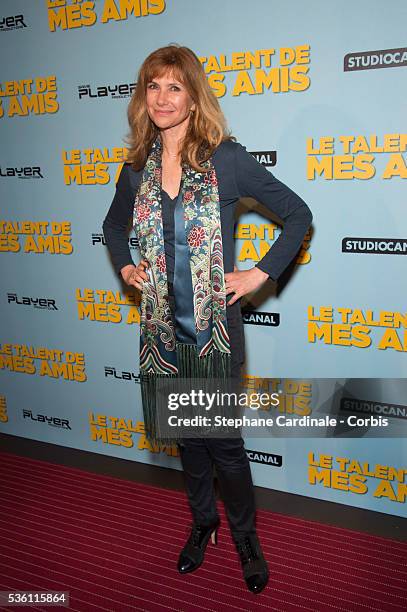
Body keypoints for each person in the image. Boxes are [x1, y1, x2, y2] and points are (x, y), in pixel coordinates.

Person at [103, 44, 312, 595]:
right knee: (189, 445)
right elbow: (112, 227)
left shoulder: (226, 159)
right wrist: (126, 264)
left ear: (194, 98)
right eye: (154, 86)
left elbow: (298, 215)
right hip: (161, 335)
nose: (163, 98)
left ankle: (245, 536)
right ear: (143, 97)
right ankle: (204, 525)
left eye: (175, 87)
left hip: (213, 335)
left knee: (223, 445)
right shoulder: (136, 168)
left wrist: (258, 274)